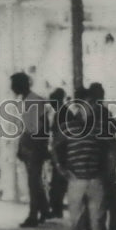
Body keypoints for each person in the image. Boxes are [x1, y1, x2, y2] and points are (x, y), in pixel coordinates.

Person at [53, 88, 109, 230]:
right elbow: (55, 145)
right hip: (82, 180)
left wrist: (107, 170)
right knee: (81, 225)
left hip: (90, 180)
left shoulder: (98, 128)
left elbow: (111, 149)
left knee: (95, 224)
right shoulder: (69, 127)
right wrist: (60, 167)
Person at [11, 72, 51, 228]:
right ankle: (44, 209)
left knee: (33, 181)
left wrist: (39, 146)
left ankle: (33, 215)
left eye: (13, 84)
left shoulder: (34, 100)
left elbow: (42, 125)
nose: (12, 87)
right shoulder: (27, 100)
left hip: (34, 145)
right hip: (30, 144)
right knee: (34, 180)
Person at [87, 82, 116, 230]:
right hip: (107, 158)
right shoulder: (102, 112)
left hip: (95, 161)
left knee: (98, 201)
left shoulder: (88, 113)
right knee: (112, 200)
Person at [46, 87, 68, 219]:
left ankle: (56, 209)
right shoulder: (62, 112)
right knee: (57, 182)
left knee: (57, 182)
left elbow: (61, 135)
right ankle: (56, 208)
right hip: (61, 150)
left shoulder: (62, 113)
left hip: (62, 151)